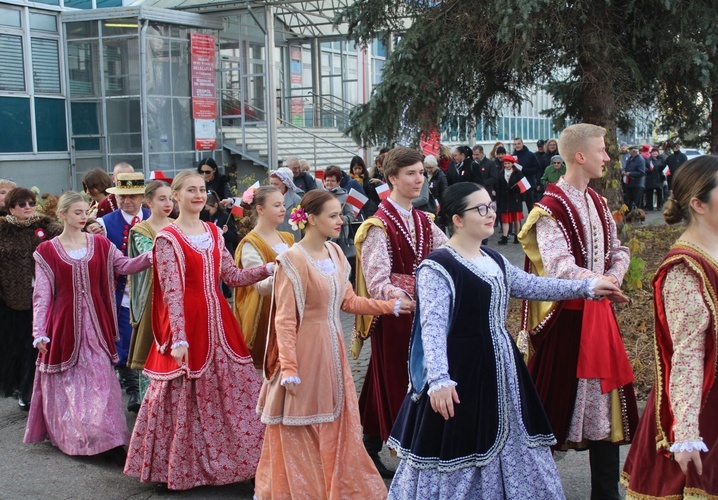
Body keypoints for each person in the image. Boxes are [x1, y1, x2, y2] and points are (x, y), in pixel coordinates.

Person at [388, 183, 623, 499]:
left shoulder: (492, 258)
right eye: (480, 209)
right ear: (457, 219)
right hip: (462, 373)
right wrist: (440, 380)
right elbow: (432, 327)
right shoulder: (438, 266)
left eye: (491, 205)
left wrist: (588, 287)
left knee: (517, 443)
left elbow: (533, 286)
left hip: (503, 368)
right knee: (461, 447)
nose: (490, 214)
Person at [255, 190, 411, 499]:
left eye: (340, 214)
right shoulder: (291, 260)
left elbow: (348, 301)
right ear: (311, 219)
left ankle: (333, 488)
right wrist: (289, 368)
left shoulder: (336, 254)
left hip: (332, 346)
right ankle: (301, 491)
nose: (341, 220)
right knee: (299, 426)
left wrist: (387, 306)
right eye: (333, 215)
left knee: (336, 423)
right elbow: (284, 320)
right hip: (303, 350)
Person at [124, 170, 274, 491]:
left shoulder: (213, 232)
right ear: (175, 196)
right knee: (182, 398)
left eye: (202, 189)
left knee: (238, 391)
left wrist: (269, 268)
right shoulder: (167, 238)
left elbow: (231, 276)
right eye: (190, 190)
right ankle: (183, 467)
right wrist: (178, 336)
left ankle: (239, 461)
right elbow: (171, 291)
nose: (198, 195)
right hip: (189, 323)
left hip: (219, 320)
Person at [518, 123, 639, 499]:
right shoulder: (549, 209)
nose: (607, 157)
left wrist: (612, 280)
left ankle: (606, 493)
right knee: (551, 404)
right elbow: (558, 267)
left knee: (607, 404)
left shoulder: (599, 202)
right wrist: (598, 284)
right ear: (580, 156)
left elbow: (619, 250)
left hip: (600, 316)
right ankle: (527, 488)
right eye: (602, 151)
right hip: (566, 319)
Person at [622, 156, 718, 498]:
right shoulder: (685, 271)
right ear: (698, 204)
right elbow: (687, 357)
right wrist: (687, 433)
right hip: (712, 416)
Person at [24, 191, 151, 458]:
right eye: (78, 212)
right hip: (64, 324)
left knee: (101, 381)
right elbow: (42, 295)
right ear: (63, 215)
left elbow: (125, 265)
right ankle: (81, 436)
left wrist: (150, 256)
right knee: (72, 385)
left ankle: (110, 439)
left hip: (97, 324)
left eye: (86, 212)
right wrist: (39, 332)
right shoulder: (46, 251)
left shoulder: (101, 244)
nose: (83, 217)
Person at [353, 147, 448, 477]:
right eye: (411, 173)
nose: (419, 179)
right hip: (396, 315)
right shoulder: (377, 225)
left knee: (402, 378)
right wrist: (402, 292)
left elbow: (448, 255)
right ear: (392, 178)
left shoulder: (424, 220)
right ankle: (410, 449)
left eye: (421, 172)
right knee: (398, 380)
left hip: (425, 312)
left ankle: (370, 443)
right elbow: (376, 278)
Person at [86, 172, 151, 413]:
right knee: (123, 340)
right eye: (123, 196)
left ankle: (149, 388)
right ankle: (132, 389)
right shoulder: (104, 223)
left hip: (149, 291)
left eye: (132, 196)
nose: (127, 201)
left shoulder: (156, 219)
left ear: (143, 197)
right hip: (120, 291)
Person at [0, 188, 61, 411]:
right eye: (22, 204)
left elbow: (67, 231)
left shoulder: (44, 227)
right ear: (11, 208)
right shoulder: (3, 230)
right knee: (16, 347)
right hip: (11, 300)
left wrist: (91, 224)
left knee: (34, 346)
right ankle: (22, 388)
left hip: (43, 299)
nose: (28, 208)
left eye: (31, 203)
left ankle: (30, 391)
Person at [234, 186, 295, 368]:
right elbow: (259, 286)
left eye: (283, 204)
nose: (283, 209)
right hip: (265, 317)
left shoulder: (287, 238)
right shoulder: (251, 243)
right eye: (277, 205)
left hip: (288, 312)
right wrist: (290, 272)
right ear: (260, 209)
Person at [126, 180, 173, 399]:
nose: (168, 203)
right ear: (149, 201)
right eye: (162, 199)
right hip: (153, 299)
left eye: (171, 198)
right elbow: (153, 255)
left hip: (178, 297)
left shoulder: (177, 224)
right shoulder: (141, 230)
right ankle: (150, 407)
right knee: (151, 354)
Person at [201, 190, 240, 298]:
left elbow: (235, 237)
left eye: (208, 208)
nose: (206, 210)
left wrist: (226, 233)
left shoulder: (224, 217)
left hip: (225, 252)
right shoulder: (208, 216)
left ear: (215, 205)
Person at [324, 166, 356, 250]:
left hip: (340, 238)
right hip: (324, 236)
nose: (329, 183)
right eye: (327, 180)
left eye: (332, 181)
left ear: (338, 182)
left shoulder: (345, 197)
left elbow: (351, 216)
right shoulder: (321, 196)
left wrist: (341, 219)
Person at [496, 155, 525, 245]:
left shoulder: (518, 173)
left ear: (512, 164)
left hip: (515, 198)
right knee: (505, 219)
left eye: (509, 163)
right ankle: (505, 237)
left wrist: (516, 189)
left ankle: (517, 236)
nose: (507, 165)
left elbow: (524, 185)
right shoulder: (500, 173)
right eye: (505, 164)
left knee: (516, 219)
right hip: (504, 198)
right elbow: (498, 187)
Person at [269, 169, 302, 241]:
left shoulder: (296, 199)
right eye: (271, 183)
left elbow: (300, 223)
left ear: (285, 183)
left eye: (276, 184)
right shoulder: (268, 198)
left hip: (291, 237)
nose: (273, 186)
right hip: (273, 237)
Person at [513, 138, 542, 212]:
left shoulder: (530, 155)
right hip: (517, 184)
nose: (517, 146)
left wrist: (524, 169)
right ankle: (519, 223)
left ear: (522, 144)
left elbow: (537, 169)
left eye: (519, 143)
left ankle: (533, 223)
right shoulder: (513, 156)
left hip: (529, 183)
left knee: (530, 206)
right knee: (517, 207)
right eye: (515, 144)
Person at [623, 146, 646, 211]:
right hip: (629, 183)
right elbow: (626, 167)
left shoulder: (640, 159)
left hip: (637, 184)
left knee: (636, 201)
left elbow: (641, 172)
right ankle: (629, 215)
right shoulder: (630, 159)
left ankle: (636, 216)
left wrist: (630, 173)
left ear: (634, 151)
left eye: (630, 151)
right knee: (629, 200)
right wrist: (624, 171)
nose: (629, 152)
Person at [644, 146, 666, 211]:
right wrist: (647, 170)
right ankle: (649, 206)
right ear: (651, 153)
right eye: (653, 152)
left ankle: (659, 206)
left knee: (659, 193)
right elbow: (644, 167)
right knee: (649, 193)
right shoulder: (648, 160)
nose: (654, 153)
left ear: (658, 153)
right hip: (650, 178)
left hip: (658, 178)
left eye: (656, 152)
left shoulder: (661, 159)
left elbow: (664, 167)